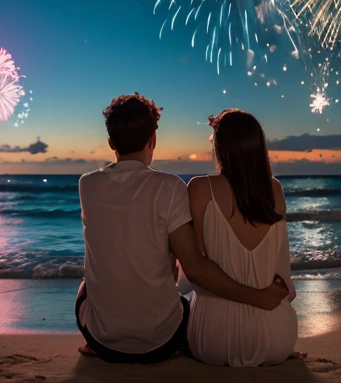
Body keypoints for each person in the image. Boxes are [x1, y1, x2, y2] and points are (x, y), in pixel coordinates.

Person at [76, 93, 288, 364]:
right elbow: (195, 268)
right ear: (153, 139)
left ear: (111, 142)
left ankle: (94, 343)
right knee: (180, 303)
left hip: (103, 342)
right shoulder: (170, 186)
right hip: (161, 341)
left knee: (85, 287)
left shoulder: (87, 185)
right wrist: (257, 297)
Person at [183, 108, 297, 367]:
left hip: (214, 338)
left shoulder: (200, 188)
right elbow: (282, 274)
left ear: (220, 147)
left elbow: (194, 270)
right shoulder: (275, 190)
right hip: (276, 335)